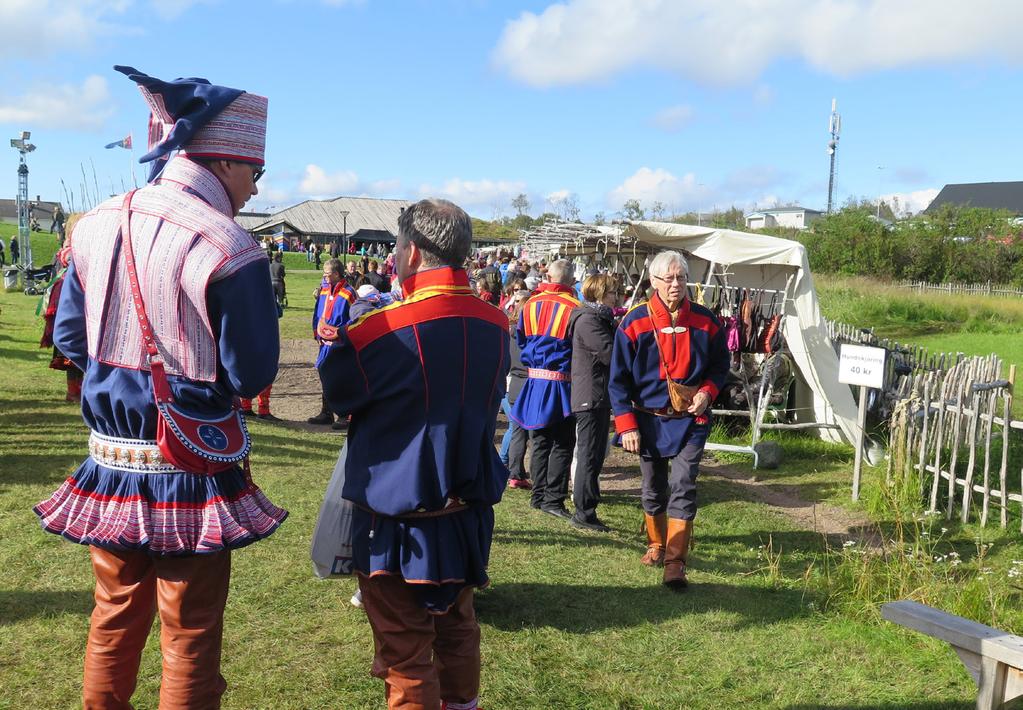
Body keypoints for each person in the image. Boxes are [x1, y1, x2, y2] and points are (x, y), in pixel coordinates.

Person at [32, 65, 287, 707]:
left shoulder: (91, 225)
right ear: (226, 161)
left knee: (113, 617)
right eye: (255, 173)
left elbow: (68, 341)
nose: (255, 190)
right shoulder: (229, 244)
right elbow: (252, 373)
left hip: (111, 460)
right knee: (191, 630)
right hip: (190, 461)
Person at [320, 198, 508, 710]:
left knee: (406, 654)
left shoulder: (378, 330)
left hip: (397, 521)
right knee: (456, 631)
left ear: (412, 254)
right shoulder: (498, 323)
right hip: (466, 511)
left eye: (398, 249)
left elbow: (338, 394)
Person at [609, 251, 728, 589]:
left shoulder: (707, 321)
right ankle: (657, 544)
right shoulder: (634, 322)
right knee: (652, 486)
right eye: (669, 278)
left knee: (684, 483)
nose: (676, 284)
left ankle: (676, 562)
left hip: (692, 420)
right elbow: (617, 381)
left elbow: (720, 366)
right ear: (654, 282)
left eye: (680, 278)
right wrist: (626, 424)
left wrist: (707, 391)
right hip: (648, 419)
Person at [509, 259, 581, 519]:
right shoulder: (575, 308)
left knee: (539, 440)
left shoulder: (529, 305)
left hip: (534, 381)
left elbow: (520, 338)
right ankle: (553, 498)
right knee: (562, 442)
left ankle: (538, 496)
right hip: (562, 382)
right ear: (571, 281)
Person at [568, 273, 620, 533]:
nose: (616, 297)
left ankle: (588, 507)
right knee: (589, 455)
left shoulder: (596, 318)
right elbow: (610, 353)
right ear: (600, 294)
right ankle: (583, 511)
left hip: (596, 395)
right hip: (590, 396)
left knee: (596, 454)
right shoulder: (589, 321)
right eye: (612, 293)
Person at [306, 258, 355, 429]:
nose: (325, 278)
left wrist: (343, 336)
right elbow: (317, 313)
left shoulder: (349, 293)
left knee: (340, 377)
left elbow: (355, 319)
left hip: (340, 343)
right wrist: (316, 331)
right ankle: (326, 412)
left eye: (327, 275)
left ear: (336, 274)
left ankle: (344, 414)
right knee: (324, 373)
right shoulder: (323, 291)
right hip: (323, 343)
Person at [502, 289, 532, 489]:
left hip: (511, 383)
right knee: (519, 430)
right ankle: (508, 466)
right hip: (524, 382)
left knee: (516, 429)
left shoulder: (507, 330)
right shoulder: (528, 335)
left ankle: (514, 472)